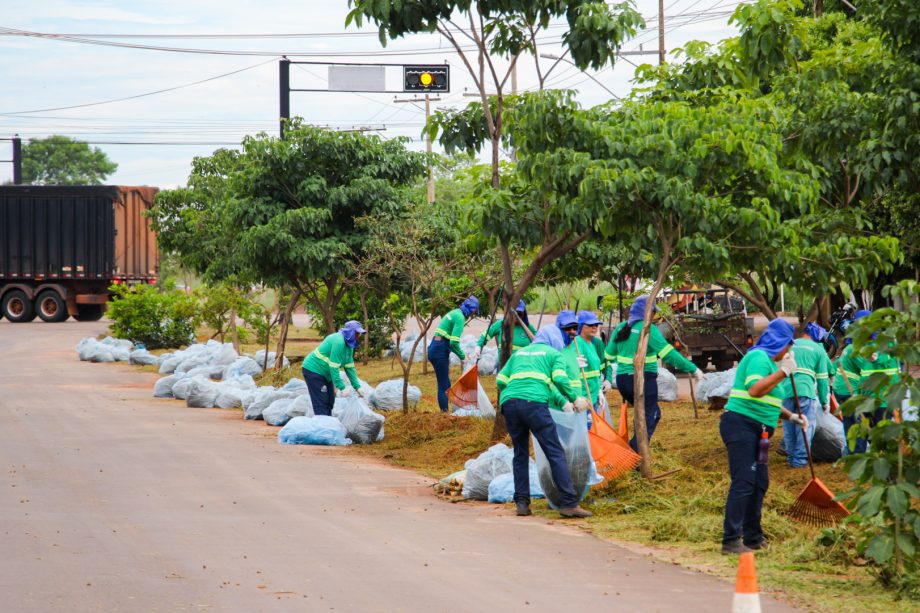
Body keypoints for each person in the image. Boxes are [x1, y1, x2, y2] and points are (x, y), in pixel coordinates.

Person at [719, 319, 808, 554]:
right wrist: (783, 373)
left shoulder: (768, 362)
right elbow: (755, 390)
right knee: (744, 481)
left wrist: (791, 416)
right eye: (787, 346)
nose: (788, 352)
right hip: (742, 426)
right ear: (779, 342)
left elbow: (767, 399)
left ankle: (753, 537)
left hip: (762, 431)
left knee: (759, 483)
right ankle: (731, 540)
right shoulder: (758, 358)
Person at [496, 324, 592, 519]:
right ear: (554, 339)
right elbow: (559, 379)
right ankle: (569, 503)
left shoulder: (519, 354)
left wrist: (518, 391)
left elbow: (500, 379)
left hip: (510, 405)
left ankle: (522, 503)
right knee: (555, 452)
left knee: (520, 453)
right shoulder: (553, 354)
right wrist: (574, 399)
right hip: (534, 406)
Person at [605, 296, 702, 451]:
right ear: (646, 312)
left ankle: (636, 451)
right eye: (652, 312)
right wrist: (693, 368)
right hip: (642, 380)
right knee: (652, 415)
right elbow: (669, 354)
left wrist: (608, 378)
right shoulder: (648, 329)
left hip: (623, 382)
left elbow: (608, 356)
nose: (654, 316)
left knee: (642, 415)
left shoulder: (621, 327)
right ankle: (634, 453)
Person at [782, 323, 834, 468]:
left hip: (786, 391)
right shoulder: (819, 350)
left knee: (789, 425)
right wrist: (825, 402)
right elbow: (823, 380)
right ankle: (800, 461)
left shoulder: (791, 345)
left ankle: (791, 459)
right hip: (805, 392)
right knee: (805, 426)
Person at [302, 320, 366, 416]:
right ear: (350, 332)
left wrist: (357, 387)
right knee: (321, 401)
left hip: (326, 374)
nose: (358, 337)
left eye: (359, 334)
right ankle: (323, 427)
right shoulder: (338, 342)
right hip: (313, 370)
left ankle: (328, 424)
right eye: (357, 334)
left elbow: (349, 367)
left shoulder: (349, 345)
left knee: (330, 400)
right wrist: (342, 387)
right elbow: (334, 367)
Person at [428, 296, 479, 413]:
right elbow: (454, 343)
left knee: (446, 382)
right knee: (443, 384)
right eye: (474, 311)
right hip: (439, 350)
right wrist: (463, 357)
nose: (473, 314)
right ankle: (445, 413)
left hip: (435, 346)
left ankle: (447, 409)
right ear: (471, 309)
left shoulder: (455, 312)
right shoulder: (460, 318)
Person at [473, 300, 536, 367]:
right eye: (514, 313)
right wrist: (479, 346)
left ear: (524, 313)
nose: (516, 316)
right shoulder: (501, 324)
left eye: (519, 313)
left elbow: (540, 342)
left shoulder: (528, 328)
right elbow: (485, 335)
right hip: (503, 366)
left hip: (522, 367)